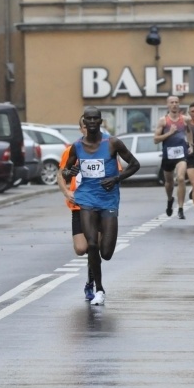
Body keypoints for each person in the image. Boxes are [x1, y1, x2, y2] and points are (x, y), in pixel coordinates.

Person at [61, 107, 140, 306]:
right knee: (91, 245)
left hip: (108, 200)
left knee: (106, 253)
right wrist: (72, 170)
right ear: (84, 123)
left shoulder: (113, 143)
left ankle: (95, 280)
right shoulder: (76, 147)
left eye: (96, 119)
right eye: (89, 119)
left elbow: (134, 164)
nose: (93, 122)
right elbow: (65, 173)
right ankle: (99, 289)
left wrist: (116, 178)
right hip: (86, 199)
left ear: (101, 121)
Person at [57, 118, 99, 301]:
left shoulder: (104, 149)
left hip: (99, 205)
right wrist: (66, 191)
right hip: (78, 206)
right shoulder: (72, 150)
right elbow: (61, 174)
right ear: (81, 129)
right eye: (85, 126)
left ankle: (92, 283)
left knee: (94, 246)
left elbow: (116, 172)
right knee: (81, 248)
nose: (88, 129)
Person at [154, 95, 192, 219]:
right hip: (168, 155)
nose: (174, 104)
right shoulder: (163, 121)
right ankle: (170, 200)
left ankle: (180, 208)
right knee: (169, 183)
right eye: (172, 102)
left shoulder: (185, 119)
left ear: (179, 104)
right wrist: (169, 133)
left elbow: (189, 131)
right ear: (168, 105)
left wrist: (191, 145)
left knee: (181, 178)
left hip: (181, 153)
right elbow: (155, 139)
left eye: (176, 102)